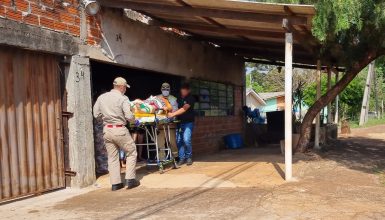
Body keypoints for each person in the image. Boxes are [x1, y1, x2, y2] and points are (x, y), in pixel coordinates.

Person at [93, 77, 140, 191]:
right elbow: (129, 116)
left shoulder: (102, 97)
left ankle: (116, 184)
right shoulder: (123, 98)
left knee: (112, 157)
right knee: (131, 151)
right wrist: (135, 120)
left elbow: (96, 114)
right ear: (122, 87)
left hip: (107, 130)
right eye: (125, 87)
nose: (125, 90)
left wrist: (106, 119)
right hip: (119, 129)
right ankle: (130, 179)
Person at [168, 83, 196, 166]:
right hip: (179, 122)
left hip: (188, 122)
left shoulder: (191, 98)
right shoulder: (178, 98)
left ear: (188, 90)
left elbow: (184, 108)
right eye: (182, 91)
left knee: (186, 139)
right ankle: (181, 158)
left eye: (184, 91)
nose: (183, 92)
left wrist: (172, 115)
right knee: (178, 140)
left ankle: (189, 157)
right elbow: (174, 107)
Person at [156, 82, 179, 160]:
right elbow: (154, 109)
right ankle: (162, 159)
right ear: (161, 89)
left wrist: (168, 110)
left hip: (170, 124)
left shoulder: (173, 99)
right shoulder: (156, 98)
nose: (165, 90)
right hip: (159, 125)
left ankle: (175, 157)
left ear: (169, 90)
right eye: (164, 89)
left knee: (172, 142)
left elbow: (175, 111)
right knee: (160, 143)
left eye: (167, 89)